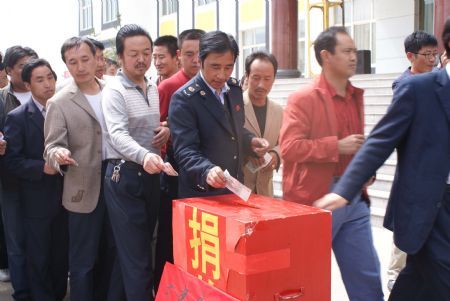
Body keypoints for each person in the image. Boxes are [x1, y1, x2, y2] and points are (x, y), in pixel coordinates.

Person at [314, 19, 450, 301]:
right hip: (433, 208)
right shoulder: (419, 89)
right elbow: (380, 140)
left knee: (418, 281)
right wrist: (345, 189)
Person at [279, 27, 383, 300]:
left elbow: (358, 144)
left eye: (354, 51)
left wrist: (365, 170)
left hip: (352, 196)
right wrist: (335, 146)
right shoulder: (303, 98)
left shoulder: (354, 95)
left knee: (367, 277)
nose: (354, 57)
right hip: (315, 200)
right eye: (347, 51)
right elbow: (289, 147)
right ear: (326, 56)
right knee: (306, 280)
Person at [44, 37, 122, 301]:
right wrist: (59, 154)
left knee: (113, 254)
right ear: (65, 65)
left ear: (97, 59)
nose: (80, 67)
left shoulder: (114, 90)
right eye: (72, 62)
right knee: (82, 261)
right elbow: (51, 146)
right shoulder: (60, 101)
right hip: (82, 188)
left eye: (85, 59)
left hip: (116, 182)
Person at [102, 24, 172, 301]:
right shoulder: (115, 90)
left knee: (133, 252)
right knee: (138, 258)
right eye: (133, 54)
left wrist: (165, 129)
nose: (141, 59)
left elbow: (148, 127)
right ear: (120, 57)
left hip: (151, 175)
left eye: (146, 52)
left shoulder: (151, 86)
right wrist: (144, 155)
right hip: (125, 177)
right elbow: (117, 135)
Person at [169, 30, 269, 198]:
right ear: (201, 61)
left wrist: (250, 141)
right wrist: (206, 170)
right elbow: (185, 151)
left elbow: (233, 129)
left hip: (234, 188)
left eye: (228, 67)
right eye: (215, 67)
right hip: (202, 192)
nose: (221, 75)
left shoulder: (235, 90)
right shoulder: (185, 98)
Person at [4, 59, 68, 301]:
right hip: (36, 199)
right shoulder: (18, 117)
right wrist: (42, 167)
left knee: (61, 255)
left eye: (50, 77)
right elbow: (12, 160)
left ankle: (59, 294)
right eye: (40, 80)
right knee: (38, 256)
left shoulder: (64, 109)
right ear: (28, 85)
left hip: (67, 196)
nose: (48, 84)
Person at [386, 30, 438, 292]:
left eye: (435, 54)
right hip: (414, 176)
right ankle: (394, 284)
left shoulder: (439, 82)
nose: (432, 59)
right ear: (410, 56)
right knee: (406, 241)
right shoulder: (404, 86)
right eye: (427, 54)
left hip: (435, 177)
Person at [154, 28, 205, 292]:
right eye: (189, 54)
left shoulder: (214, 86)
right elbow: (158, 128)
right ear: (179, 55)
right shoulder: (169, 86)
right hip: (175, 167)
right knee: (171, 234)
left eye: (200, 53)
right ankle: (165, 288)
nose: (196, 59)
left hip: (205, 166)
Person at [0, 45, 38, 301]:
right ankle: (22, 292)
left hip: (44, 178)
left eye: (32, 63)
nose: (28, 69)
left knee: (44, 239)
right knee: (16, 240)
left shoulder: (48, 93)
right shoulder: (2, 99)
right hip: (11, 180)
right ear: (9, 70)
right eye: (22, 65)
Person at [242, 51, 282, 197]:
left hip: (265, 190)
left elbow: (285, 142)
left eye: (267, 79)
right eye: (256, 78)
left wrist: (276, 155)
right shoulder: (233, 106)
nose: (261, 85)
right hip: (239, 189)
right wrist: (246, 152)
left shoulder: (278, 110)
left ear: (274, 79)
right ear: (247, 76)